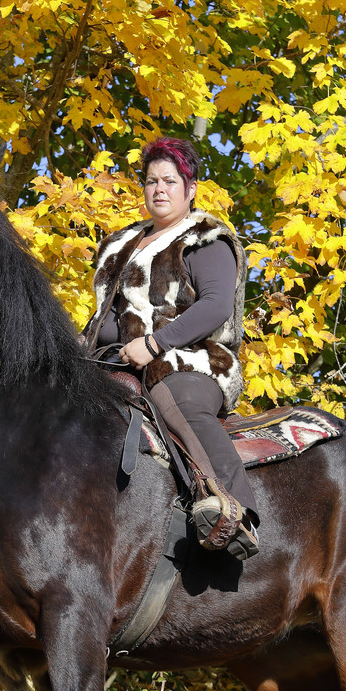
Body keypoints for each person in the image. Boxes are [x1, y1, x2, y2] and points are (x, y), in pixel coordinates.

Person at [81, 136, 258, 558]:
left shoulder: (206, 239)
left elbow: (216, 305)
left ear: (190, 188)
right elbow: (105, 317)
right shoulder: (120, 246)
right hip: (119, 363)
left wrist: (156, 343)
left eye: (170, 181)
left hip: (194, 361)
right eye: (151, 181)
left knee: (176, 397)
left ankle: (233, 509)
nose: (159, 189)